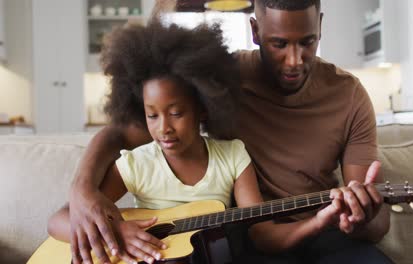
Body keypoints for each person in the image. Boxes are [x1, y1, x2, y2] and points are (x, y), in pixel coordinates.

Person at [68, 0, 391, 263]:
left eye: (308, 42)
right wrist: (82, 190)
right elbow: (121, 134)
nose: (294, 60)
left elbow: (374, 221)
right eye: (279, 44)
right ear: (254, 30)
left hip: (326, 235)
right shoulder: (220, 82)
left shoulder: (349, 95)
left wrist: (363, 216)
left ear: (320, 26)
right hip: (253, 238)